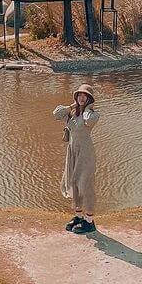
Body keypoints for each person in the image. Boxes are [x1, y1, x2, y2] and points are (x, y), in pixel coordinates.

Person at [54, 85, 99, 234]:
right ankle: (79, 216)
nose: (81, 97)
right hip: (72, 152)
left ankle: (89, 221)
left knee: (86, 186)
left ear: (89, 99)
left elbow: (88, 120)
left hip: (85, 154)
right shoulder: (72, 114)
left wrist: (87, 107)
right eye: (79, 95)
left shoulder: (92, 114)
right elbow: (56, 113)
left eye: (84, 96)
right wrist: (73, 105)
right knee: (74, 184)